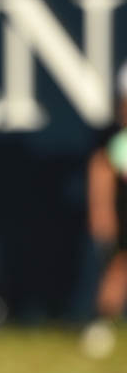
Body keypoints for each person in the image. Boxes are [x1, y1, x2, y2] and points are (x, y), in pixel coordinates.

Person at [82, 63, 127, 358]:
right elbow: (101, 173)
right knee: (118, 269)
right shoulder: (116, 143)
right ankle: (102, 325)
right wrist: (101, 214)